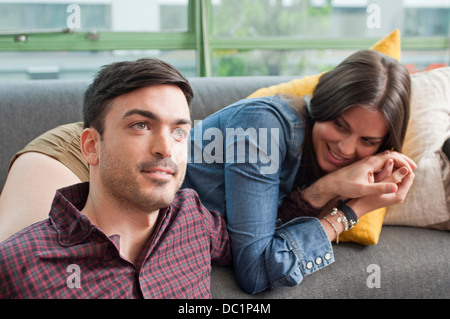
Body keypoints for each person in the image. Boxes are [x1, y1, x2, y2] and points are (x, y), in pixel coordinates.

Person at [0, 50, 415, 295]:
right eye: (340, 126)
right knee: (28, 266)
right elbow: (256, 269)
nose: (346, 148)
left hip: (155, 186)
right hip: (80, 152)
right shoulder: (266, 129)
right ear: (320, 106)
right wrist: (343, 209)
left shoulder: (335, 167)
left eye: (366, 142)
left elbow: (255, 238)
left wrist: (336, 193)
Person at [0, 58, 231, 298]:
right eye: (141, 125)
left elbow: (258, 246)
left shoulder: (193, 218)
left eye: (178, 131)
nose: (166, 148)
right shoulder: (19, 268)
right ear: (91, 146)